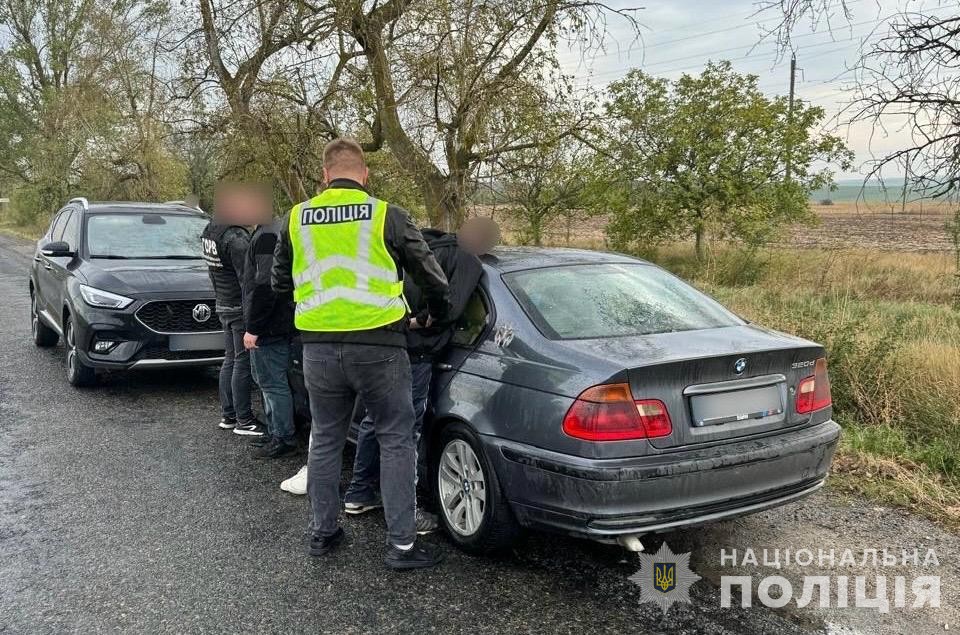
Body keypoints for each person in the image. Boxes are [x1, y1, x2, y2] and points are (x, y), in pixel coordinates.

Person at [272, 137, 450, 570]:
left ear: (325, 175)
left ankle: (323, 532)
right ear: (365, 174)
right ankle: (402, 546)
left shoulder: (296, 219)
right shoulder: (387, 215)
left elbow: (278, 283)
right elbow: (434, 278)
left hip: (318, 349)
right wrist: (432, 316)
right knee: (394, 439)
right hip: (380, 347)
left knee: (327, 438)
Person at [342, 217, 499, 533]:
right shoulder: (468, 260)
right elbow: (450, 309)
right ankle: (405, 513)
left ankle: (360, 493)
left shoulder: (426, 244)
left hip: (382, 342)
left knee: (376, 420)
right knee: (404, 433)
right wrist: (420, 320)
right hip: (416, 352)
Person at [202, 187, 262, 436]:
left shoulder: (211, 229)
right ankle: (244, 420)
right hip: (238, 307)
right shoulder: (236, 238)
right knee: (241, 363)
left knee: (229, 360)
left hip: (223, 303)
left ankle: (228, 415)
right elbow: (248, 280)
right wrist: (253, 321)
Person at [242, 217, 298, 459]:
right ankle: (275, 431)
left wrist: (254, 327)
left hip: (270, 326)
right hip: (277, 323)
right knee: (267, 381)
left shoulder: (266, 237)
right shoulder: (271, 231)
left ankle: (283, 437)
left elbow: (266, 286)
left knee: (272, 383)